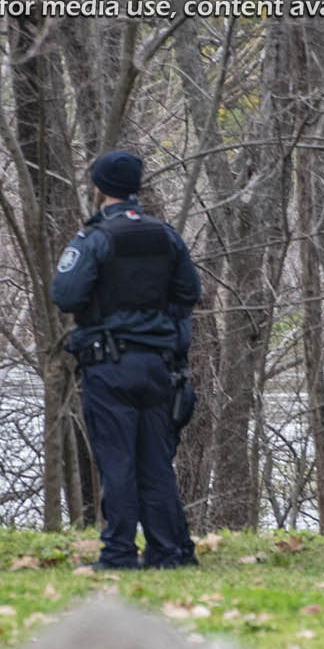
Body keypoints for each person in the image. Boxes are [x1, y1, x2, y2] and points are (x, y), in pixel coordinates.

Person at [51, 150, 200, 570]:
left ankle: (118, 553)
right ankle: (170, 553)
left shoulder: (95, 239)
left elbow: (65, 294)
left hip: (109, 364)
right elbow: (188, 292)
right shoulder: (165, 235)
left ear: (99, 188)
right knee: (156, 462)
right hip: (157, 366)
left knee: (118, 462)